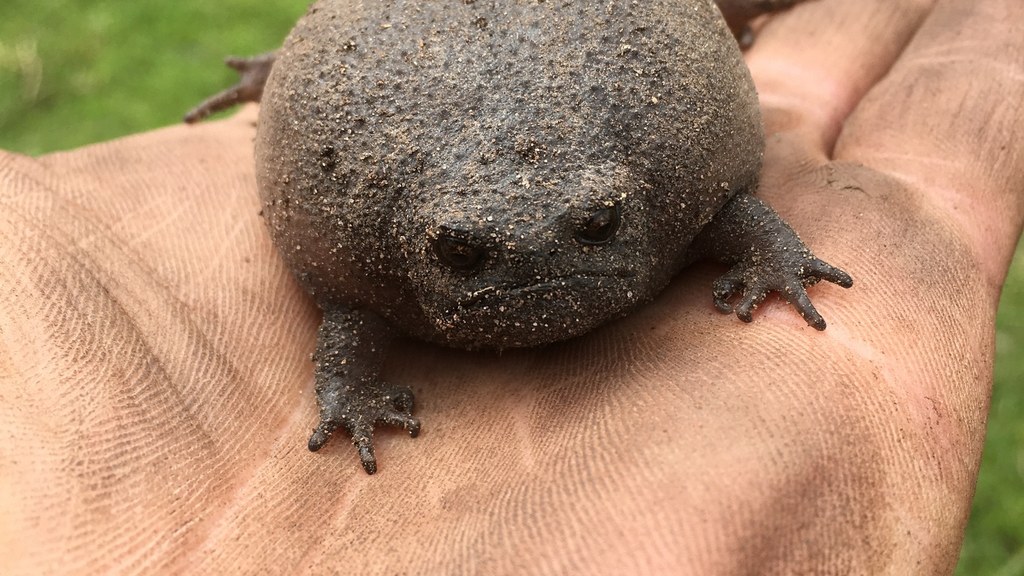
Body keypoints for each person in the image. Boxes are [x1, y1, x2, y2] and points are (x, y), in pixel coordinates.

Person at [0, 0, 1019, 573]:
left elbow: (725, 213)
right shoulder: (370, 276)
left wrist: (775, 256)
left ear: (620, 208)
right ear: (427, 244)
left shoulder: (667, 197)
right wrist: (345, 393)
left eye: (590, 229)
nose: (536, 265)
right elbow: (349, 315)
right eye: (466, 252)